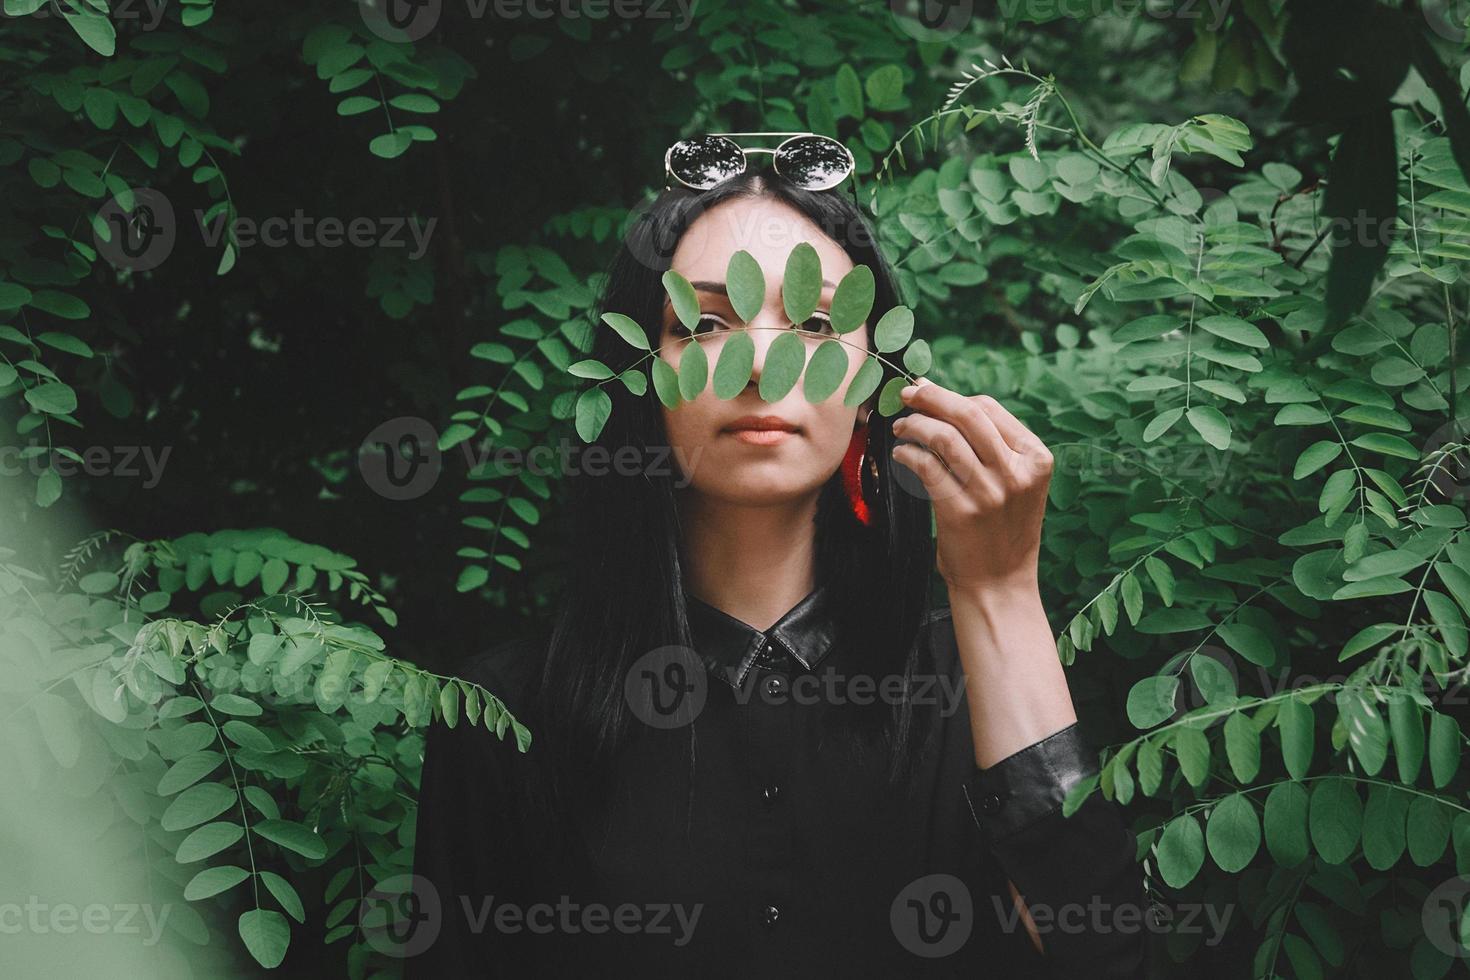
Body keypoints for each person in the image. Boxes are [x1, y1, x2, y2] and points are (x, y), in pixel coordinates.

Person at [406, 134, 1153, 978]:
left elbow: (1107, 957)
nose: (763, 365)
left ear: (877, 383)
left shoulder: (979, 682)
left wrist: (1002, 592)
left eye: (819, 322)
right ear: (639, 379)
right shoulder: (502, 717)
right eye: (707, 323)